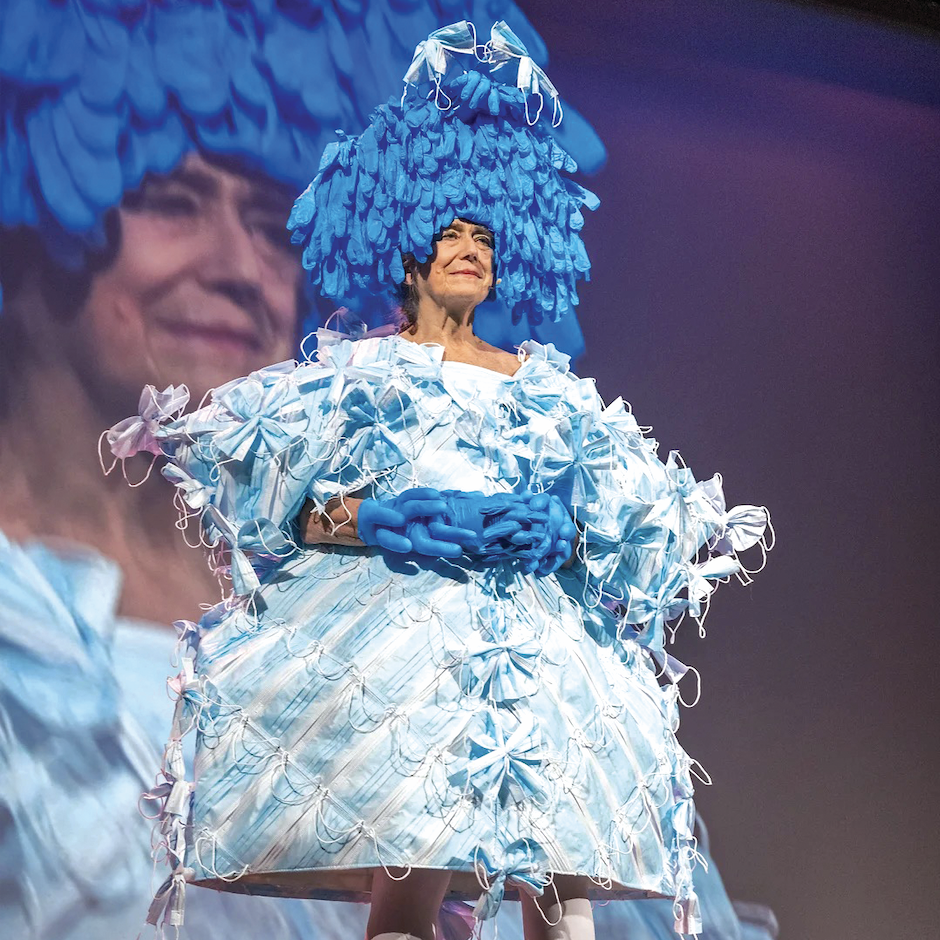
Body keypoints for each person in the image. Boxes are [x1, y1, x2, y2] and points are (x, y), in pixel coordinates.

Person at [108, 23, 772, 940]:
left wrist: (560, 533)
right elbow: (285, 507)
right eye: (450, 233)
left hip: (539, 660)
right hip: (414, 660)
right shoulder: (358, 380)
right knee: (411, 871)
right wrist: (380, 518)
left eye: (483, 236)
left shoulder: (538, 386)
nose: (470, 249)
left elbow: (624, 512)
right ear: (407, 248)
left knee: (560, 887)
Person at [0, 4, 603, 939]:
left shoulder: (365, 601)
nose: (244, 267)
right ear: (31, 199)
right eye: (172, 200)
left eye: (276, 226)